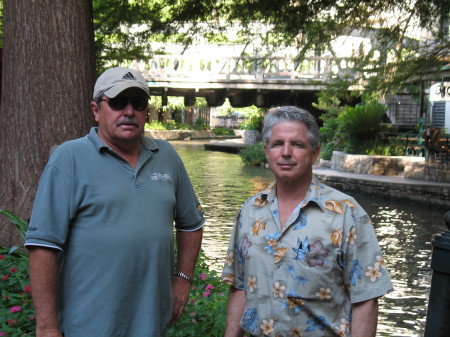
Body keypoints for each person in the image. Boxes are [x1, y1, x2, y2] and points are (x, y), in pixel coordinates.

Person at [25, 67, 204, 337]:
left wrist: (183, 279)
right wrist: (47, 327)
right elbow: (42, 247)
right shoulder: (69, 158)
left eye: (138, 103)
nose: (129, 111)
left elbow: (191, 224)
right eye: (118, 102)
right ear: (96, 110)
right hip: (86, 325)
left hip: (151, 325)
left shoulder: (167, 156)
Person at [222, 106, 393, 337]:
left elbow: (365, 298)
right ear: (266, 151)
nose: (286, 152)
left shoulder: (347, 213)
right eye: (277, 144)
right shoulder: (250, 211)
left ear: (314, 153)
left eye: (297, 144)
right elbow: (240, 287)